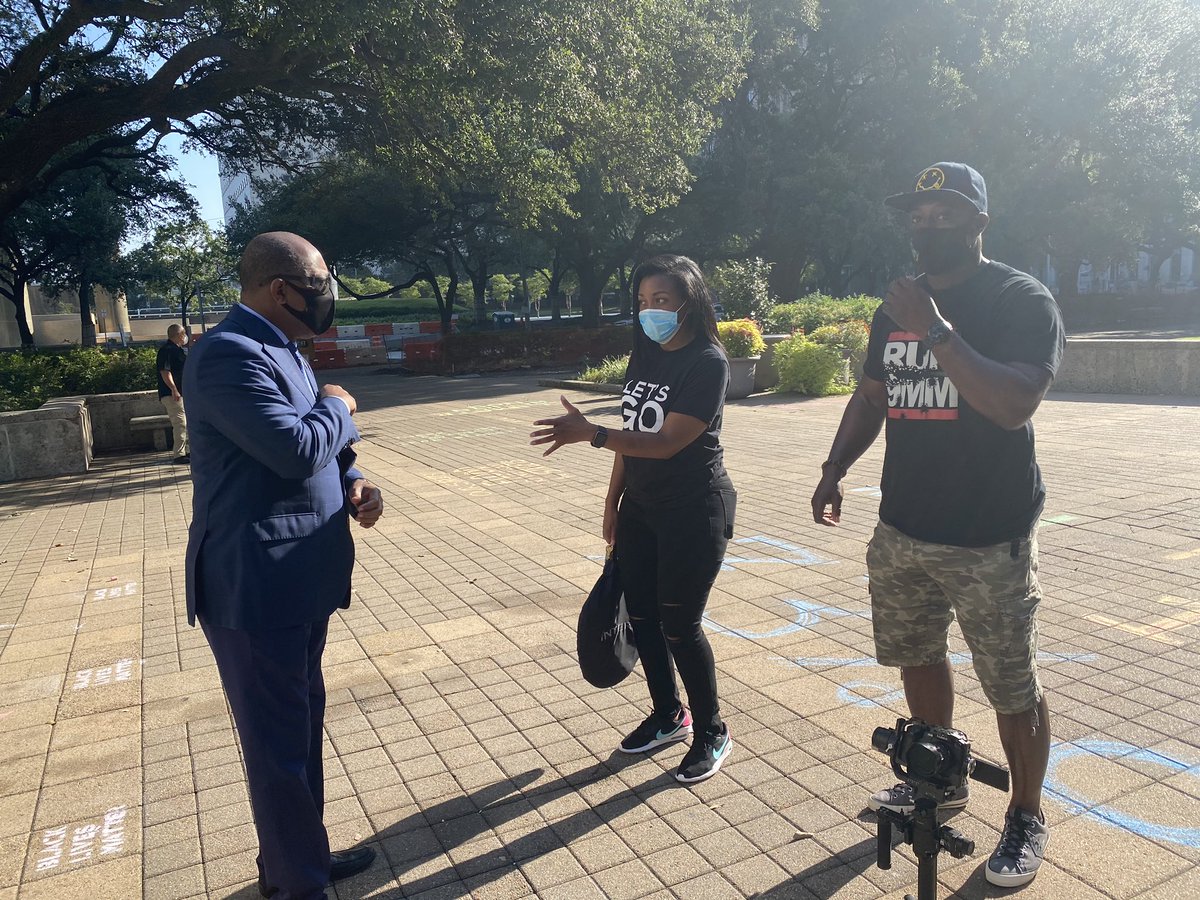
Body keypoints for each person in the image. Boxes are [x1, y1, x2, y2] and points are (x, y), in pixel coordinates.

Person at [810, 163, 1065, 888]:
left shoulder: (1020, 299)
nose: (926, 225)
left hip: (989, 535)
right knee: (918, 656)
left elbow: (1012, 404)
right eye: (916, 215)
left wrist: (936, 332)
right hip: (902, 528)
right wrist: (835, 468)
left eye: (942, 213)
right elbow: (870, 396)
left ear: (978, 222)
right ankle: (942, 779)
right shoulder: (897, 305)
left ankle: (1025, 813)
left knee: (1013, 686)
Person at [184, 232, 384, 899]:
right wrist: (340, 405)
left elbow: (318, 454)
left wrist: (352, 478)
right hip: (257, 588)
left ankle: (302, 860)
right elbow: (296, 446)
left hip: (301, 580)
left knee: (298, 733)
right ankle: (299, 886)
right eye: (320, 282)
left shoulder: (283, 350)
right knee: (278, 752)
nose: (326, 296)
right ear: (280, 288)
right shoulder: (223, 356)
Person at [531, 254, 737, 783]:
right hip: (641, 509)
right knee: (642, 615)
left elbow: (667, 443)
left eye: (662, 301)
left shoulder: (707, 362)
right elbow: (632, 441)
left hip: (693, 511)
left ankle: (712, 729)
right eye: (643, 302)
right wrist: (612, 504)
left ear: (689, 302)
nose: (650, 311)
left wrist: (590, 434)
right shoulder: (644, 356)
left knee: (679, 624)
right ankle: (670, 715)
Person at [156, 323, 189, 464]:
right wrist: (174, 389)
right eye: (184, 334)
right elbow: (165, 372)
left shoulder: (177, 350)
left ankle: (186, 451)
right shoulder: (167, 350)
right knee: (180, 423)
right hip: (172, 394)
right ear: (180, 335)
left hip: (180, 393)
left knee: (185, 423)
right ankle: (179, 454)